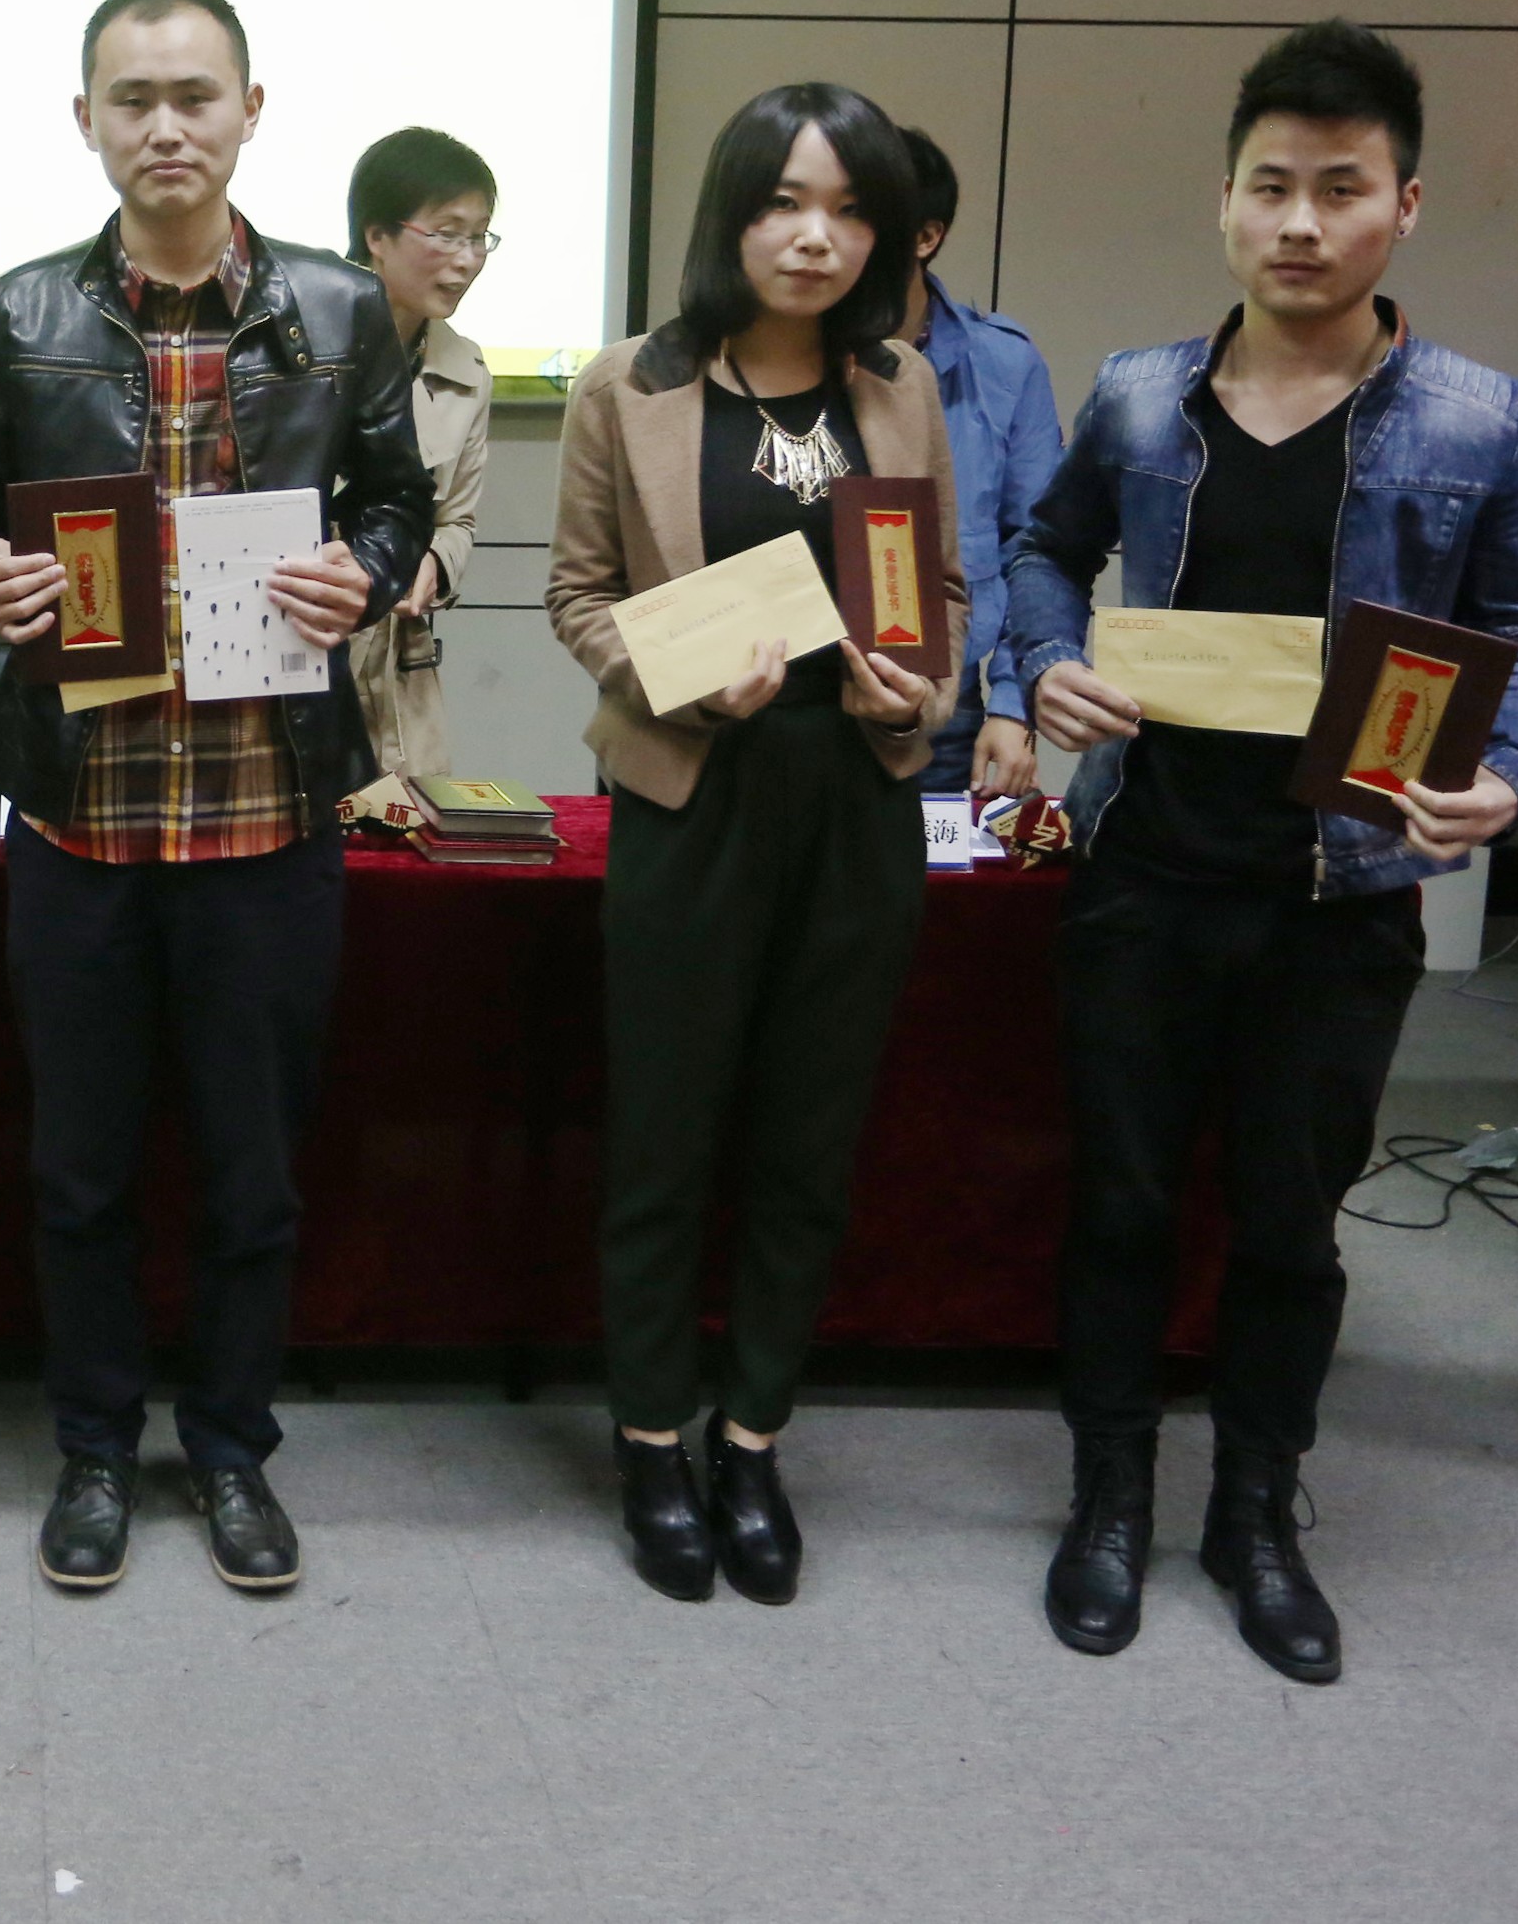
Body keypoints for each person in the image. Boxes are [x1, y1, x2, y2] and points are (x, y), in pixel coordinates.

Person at [1009, 21, 1518, 1683]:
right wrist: (1045, 663)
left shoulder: (1480, 419)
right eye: (1268, 186)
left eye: (1338, 188)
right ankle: (1109, 1496)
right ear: (1224, 201)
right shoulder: (1138, 393)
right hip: (1144, 874)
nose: (1298, 222)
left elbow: (1517, 623)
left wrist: (1507, 776)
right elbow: (1045, 549)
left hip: (1340, 896)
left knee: (1288, 1222)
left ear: (1404, 205)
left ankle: (1255, 1510)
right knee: (1119, 1203)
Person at [0, 0, 430, 1595]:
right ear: (85, 119)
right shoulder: (19, 315)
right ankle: (91, 1450)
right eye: (132, 99)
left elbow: (396, 503)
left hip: (266, 812)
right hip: (79, 815)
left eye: (194, 96)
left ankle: (228, 1450)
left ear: (249, 111)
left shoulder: (339, 312)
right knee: (78, 1170)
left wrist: (365, 569)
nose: (164, 127)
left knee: (250, 1172)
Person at [543, 83, 959, 1608]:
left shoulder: (899, 384)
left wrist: (918, 687)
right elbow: (576, 594)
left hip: (853, 799)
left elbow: (938, 592)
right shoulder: (629, 384)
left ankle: (753, 1437)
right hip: (691, 797)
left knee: (806, 1139)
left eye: (848, 210)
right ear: (729, 212)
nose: (813, 237)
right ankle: (651, 1439)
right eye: (783, 201)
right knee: (663, 1137)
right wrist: (674, 672)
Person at [893, 128, 1062, 801]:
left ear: (924, 236)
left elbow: (1038, 547)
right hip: (795, 698)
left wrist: (1013, 704)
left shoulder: (1003, 363)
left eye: (857, 212)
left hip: (944, 704)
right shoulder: (790, 357)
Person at [340, 126, 498, 783]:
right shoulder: (295, 346)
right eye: (447, 234)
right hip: (293, 654)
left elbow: (457, 519)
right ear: (377, 235)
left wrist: (432, 561)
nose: (467, 259)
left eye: (479, 236)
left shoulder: (466, 371)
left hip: (398, 675)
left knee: (403, 840)